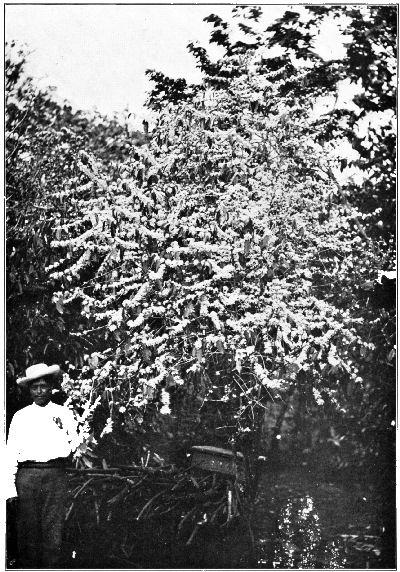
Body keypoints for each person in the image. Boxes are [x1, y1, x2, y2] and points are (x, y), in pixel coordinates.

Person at [6, 363, 80, 569]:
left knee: (53, 530)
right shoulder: (20, 417)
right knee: (28, 532)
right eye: (34, 387)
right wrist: (9, 489)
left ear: (51, 388)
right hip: (27, 476)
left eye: (43, 386)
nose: (39, 391)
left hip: (55, 475)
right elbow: (10, 453)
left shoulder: (64, 413)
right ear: (29, 389)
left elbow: (74, 445)